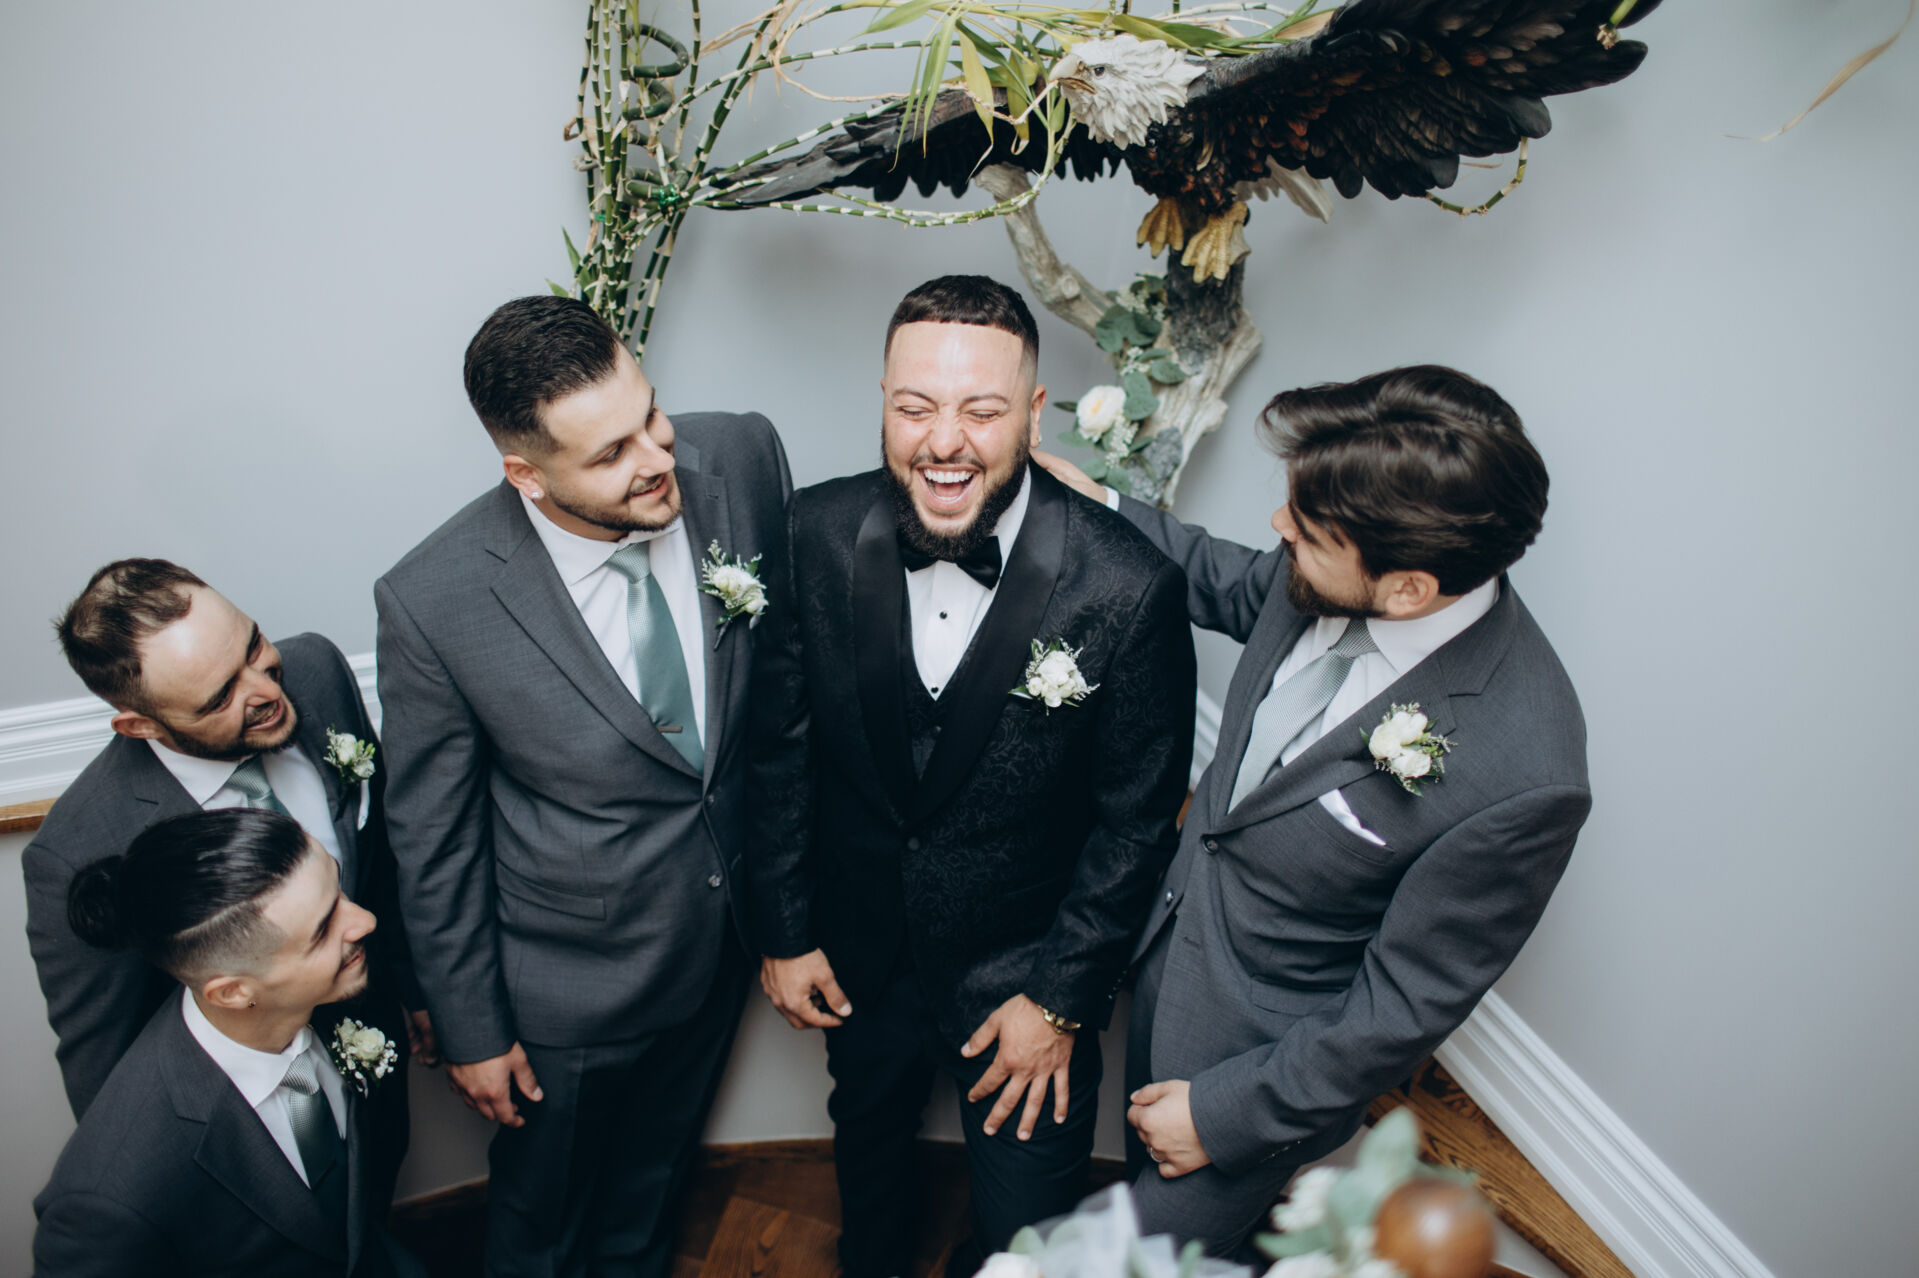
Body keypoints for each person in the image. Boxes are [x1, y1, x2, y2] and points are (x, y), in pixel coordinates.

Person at [1036, 365, 1591, 1254]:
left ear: (1408, 590)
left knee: (1130, 1264)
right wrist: (1093, 498)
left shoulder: (1524, 773)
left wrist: (1221, 1117)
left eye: (1303, 532)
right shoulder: (1323, 568)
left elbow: (1395, 1009)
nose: (1277, 529)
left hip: (1253, 1080)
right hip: (1161, 959)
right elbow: (1222, 579)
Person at [749, 274, 1197, 1278]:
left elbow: (1134, 826)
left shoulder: (1128, 586)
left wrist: (1059, 1001)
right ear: (883, 401)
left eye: (980, 411)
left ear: (1032, 414)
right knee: (869, 1184)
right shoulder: (812, 531)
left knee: (1025, 1244)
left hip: (1023, 982)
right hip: (858, 960)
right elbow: (780, 746)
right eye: (915, 407)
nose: (943, 442)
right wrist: (784, 929)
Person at [374, 294, 791, 1276]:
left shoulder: (739, 458)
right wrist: (473, 1031)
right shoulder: (435, 602)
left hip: (718, 945)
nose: (655, 458)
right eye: (609, 455)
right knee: (543, 1222)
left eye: (650, 415)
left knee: (652, 1190)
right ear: (526, 474)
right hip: (565, 989)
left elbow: (782, 694)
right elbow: (433, 839)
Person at [23, 558, 424, 1121]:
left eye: (253, 646)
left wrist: (420, 993)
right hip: (251, 1124)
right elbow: (107, 1067)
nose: (266, 691)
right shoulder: (80, 848)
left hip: (380, 1071)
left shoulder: (318, 669)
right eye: (219, 698)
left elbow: (383, 861)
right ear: (142, 726)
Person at [34, 809, 419, 1277]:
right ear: (233, 993)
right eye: (323, 931)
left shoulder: (334, 997)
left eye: (338, 891)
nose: (365, 921)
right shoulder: (109, 1199)